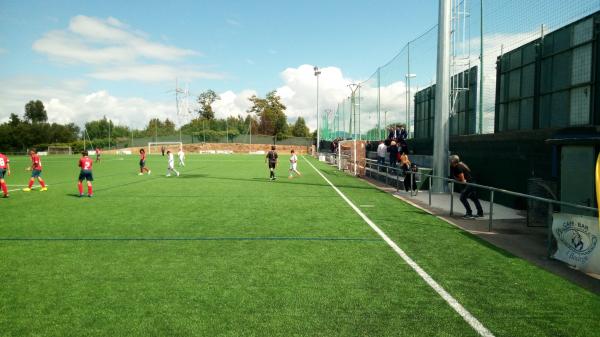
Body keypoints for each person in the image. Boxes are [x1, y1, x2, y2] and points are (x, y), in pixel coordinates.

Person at [450, 154, 484, 219]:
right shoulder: (453, 166)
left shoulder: (458, 167)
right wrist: (458, 179)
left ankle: (469, 213)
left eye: (451, 159)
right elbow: (456, 177)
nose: (450, 160)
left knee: (462, 198)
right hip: (469, 182)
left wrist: (460, 180)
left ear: (453, 161)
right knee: (473, 197)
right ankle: (480, 213)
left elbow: (462, 179)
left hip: (470, 183)